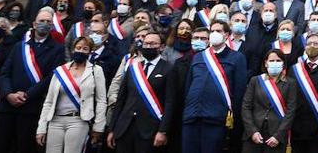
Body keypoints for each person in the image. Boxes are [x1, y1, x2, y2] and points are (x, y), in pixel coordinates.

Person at [0, 7, 68, 153]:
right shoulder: (19, 47)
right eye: (41, 21)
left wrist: (27, 95)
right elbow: (4, 74)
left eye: (48, 21)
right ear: (34, 24)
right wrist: (9, 94)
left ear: (52, 26)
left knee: (23, 147)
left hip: (31, 107)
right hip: (8, 106)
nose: (44, 24)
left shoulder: (58, 49)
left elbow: (51, 78)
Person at [181, 23, 248, 153]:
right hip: (192, 115)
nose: (215, 33)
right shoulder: (199, 56)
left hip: (216, 117)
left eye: (218, 31)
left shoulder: (237, 57)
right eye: (212, 31)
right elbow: (188, 86)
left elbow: (239, 91)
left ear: (227, 35)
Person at [35, 35, 107, 153]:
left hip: (78, 120)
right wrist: (41, 128)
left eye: (85, 48)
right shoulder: (60, 71)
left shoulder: (96, 70)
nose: (81, 51)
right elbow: (49, 101)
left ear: (90, 52)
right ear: (73, 49)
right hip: (55, 120)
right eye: (78, 48)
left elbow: (101, 100)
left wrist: (98, 126)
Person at [108, 29, 175, 153]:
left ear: (162, 47)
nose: (148, 46)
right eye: (146, 43)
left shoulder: (169, 69)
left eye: (153, 44)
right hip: (125, 128)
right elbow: (121, 99)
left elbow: (170, 102)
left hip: (150, 130)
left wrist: (163, 131)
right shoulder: (133, 68)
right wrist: (112, 129)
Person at [241, 51, 298, 152]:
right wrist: (252, 131)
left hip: (276, 133)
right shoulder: (255, 80)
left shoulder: (291, 83)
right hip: (254, 131)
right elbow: (246, 107)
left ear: (283, 64)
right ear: (266, 63)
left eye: (278, 60)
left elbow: (291, 111)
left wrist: (278, 135)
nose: (275, 63)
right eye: (271, 60)